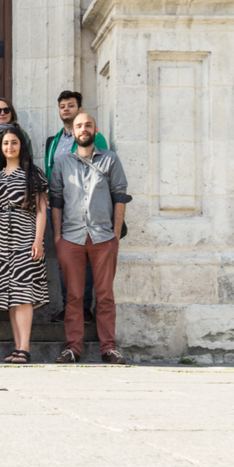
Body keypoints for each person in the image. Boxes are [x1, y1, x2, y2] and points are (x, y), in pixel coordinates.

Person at [49, 113, 130, 365]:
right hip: (71, 238)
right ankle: (73, 348)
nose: (83, 129)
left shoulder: (110, 159)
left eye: (87, 125)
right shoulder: (62, 162)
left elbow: (120, 196)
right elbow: (56, 201)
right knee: (73, 297)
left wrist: (115, 235)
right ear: (72, 133)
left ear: (96, 130)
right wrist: (58, 237)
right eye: (78, 126)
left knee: (105, 295)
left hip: (103, 237)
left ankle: (109, 348)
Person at [0, 126, 48, 364]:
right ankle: (17, 347)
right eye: (6, 143)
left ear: (21, 146)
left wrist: (38, 240)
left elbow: (41, 210)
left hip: (24, 235)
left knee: (23, 292)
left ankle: (25, 348)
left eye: (14, 143)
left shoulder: (34, 174)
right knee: (9, 295)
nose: (9, 147)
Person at [43, 90, 109, 322]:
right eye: (62, 106)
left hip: (85, 208)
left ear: (79, 110)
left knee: (87, 259)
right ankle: (67, 306)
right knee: (64, 258)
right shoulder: (53, 141)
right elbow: (50, 172)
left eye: (70, 105)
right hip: (58, 208)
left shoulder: (93, 137)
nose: (66, 109)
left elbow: (102, 169)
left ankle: (84, 308)